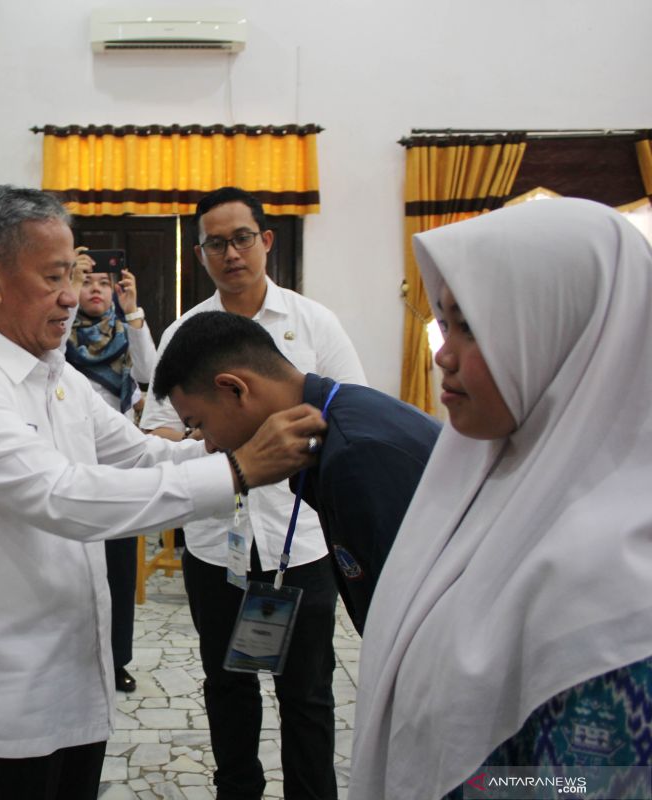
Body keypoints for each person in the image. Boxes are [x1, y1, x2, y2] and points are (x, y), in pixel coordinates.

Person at [0, 185, 327, 800]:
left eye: (72, 273)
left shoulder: (56, 373)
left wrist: (233, 441)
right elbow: (64, 497)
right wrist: (236, 472)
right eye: (54, 278)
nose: (73, 296)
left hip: (70, 683)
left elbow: (144, 453)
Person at [350, 198, 652, 800]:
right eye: (445, 321)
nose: (442, 353)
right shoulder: (479, 478)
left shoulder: (619, 575)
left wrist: (476, 785)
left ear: (562, 333)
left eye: (472, 326)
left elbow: (580, 785)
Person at [140, 186, 365, 800]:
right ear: (201, 253)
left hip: (304, 540)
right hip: (218, 542)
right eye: (217, 242)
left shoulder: (313, 323)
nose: (231, 253)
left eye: (242, 238)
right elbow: (157, 427)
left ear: (265, 241)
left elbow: (350, 412)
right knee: (227, 684)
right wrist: (221, 446)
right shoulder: (185, 333)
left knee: (309, 693)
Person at [151, 310, 441, 634]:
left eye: (199, 425)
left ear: (234, 389)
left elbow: (412, 617)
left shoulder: (354, 454)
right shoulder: (335, 422)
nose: (208, 445)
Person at [65, 258, 157, 693]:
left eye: (105, 284)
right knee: (71, 568)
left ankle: (117, 658)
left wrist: (134, 311)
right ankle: (75, 656)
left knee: (119, 570)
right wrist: (67, 289)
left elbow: (148, 375)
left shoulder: (125, 333)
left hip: (118, 465)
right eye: (86, 283)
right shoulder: (59, 334)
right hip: (70, 464)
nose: (96, 291)